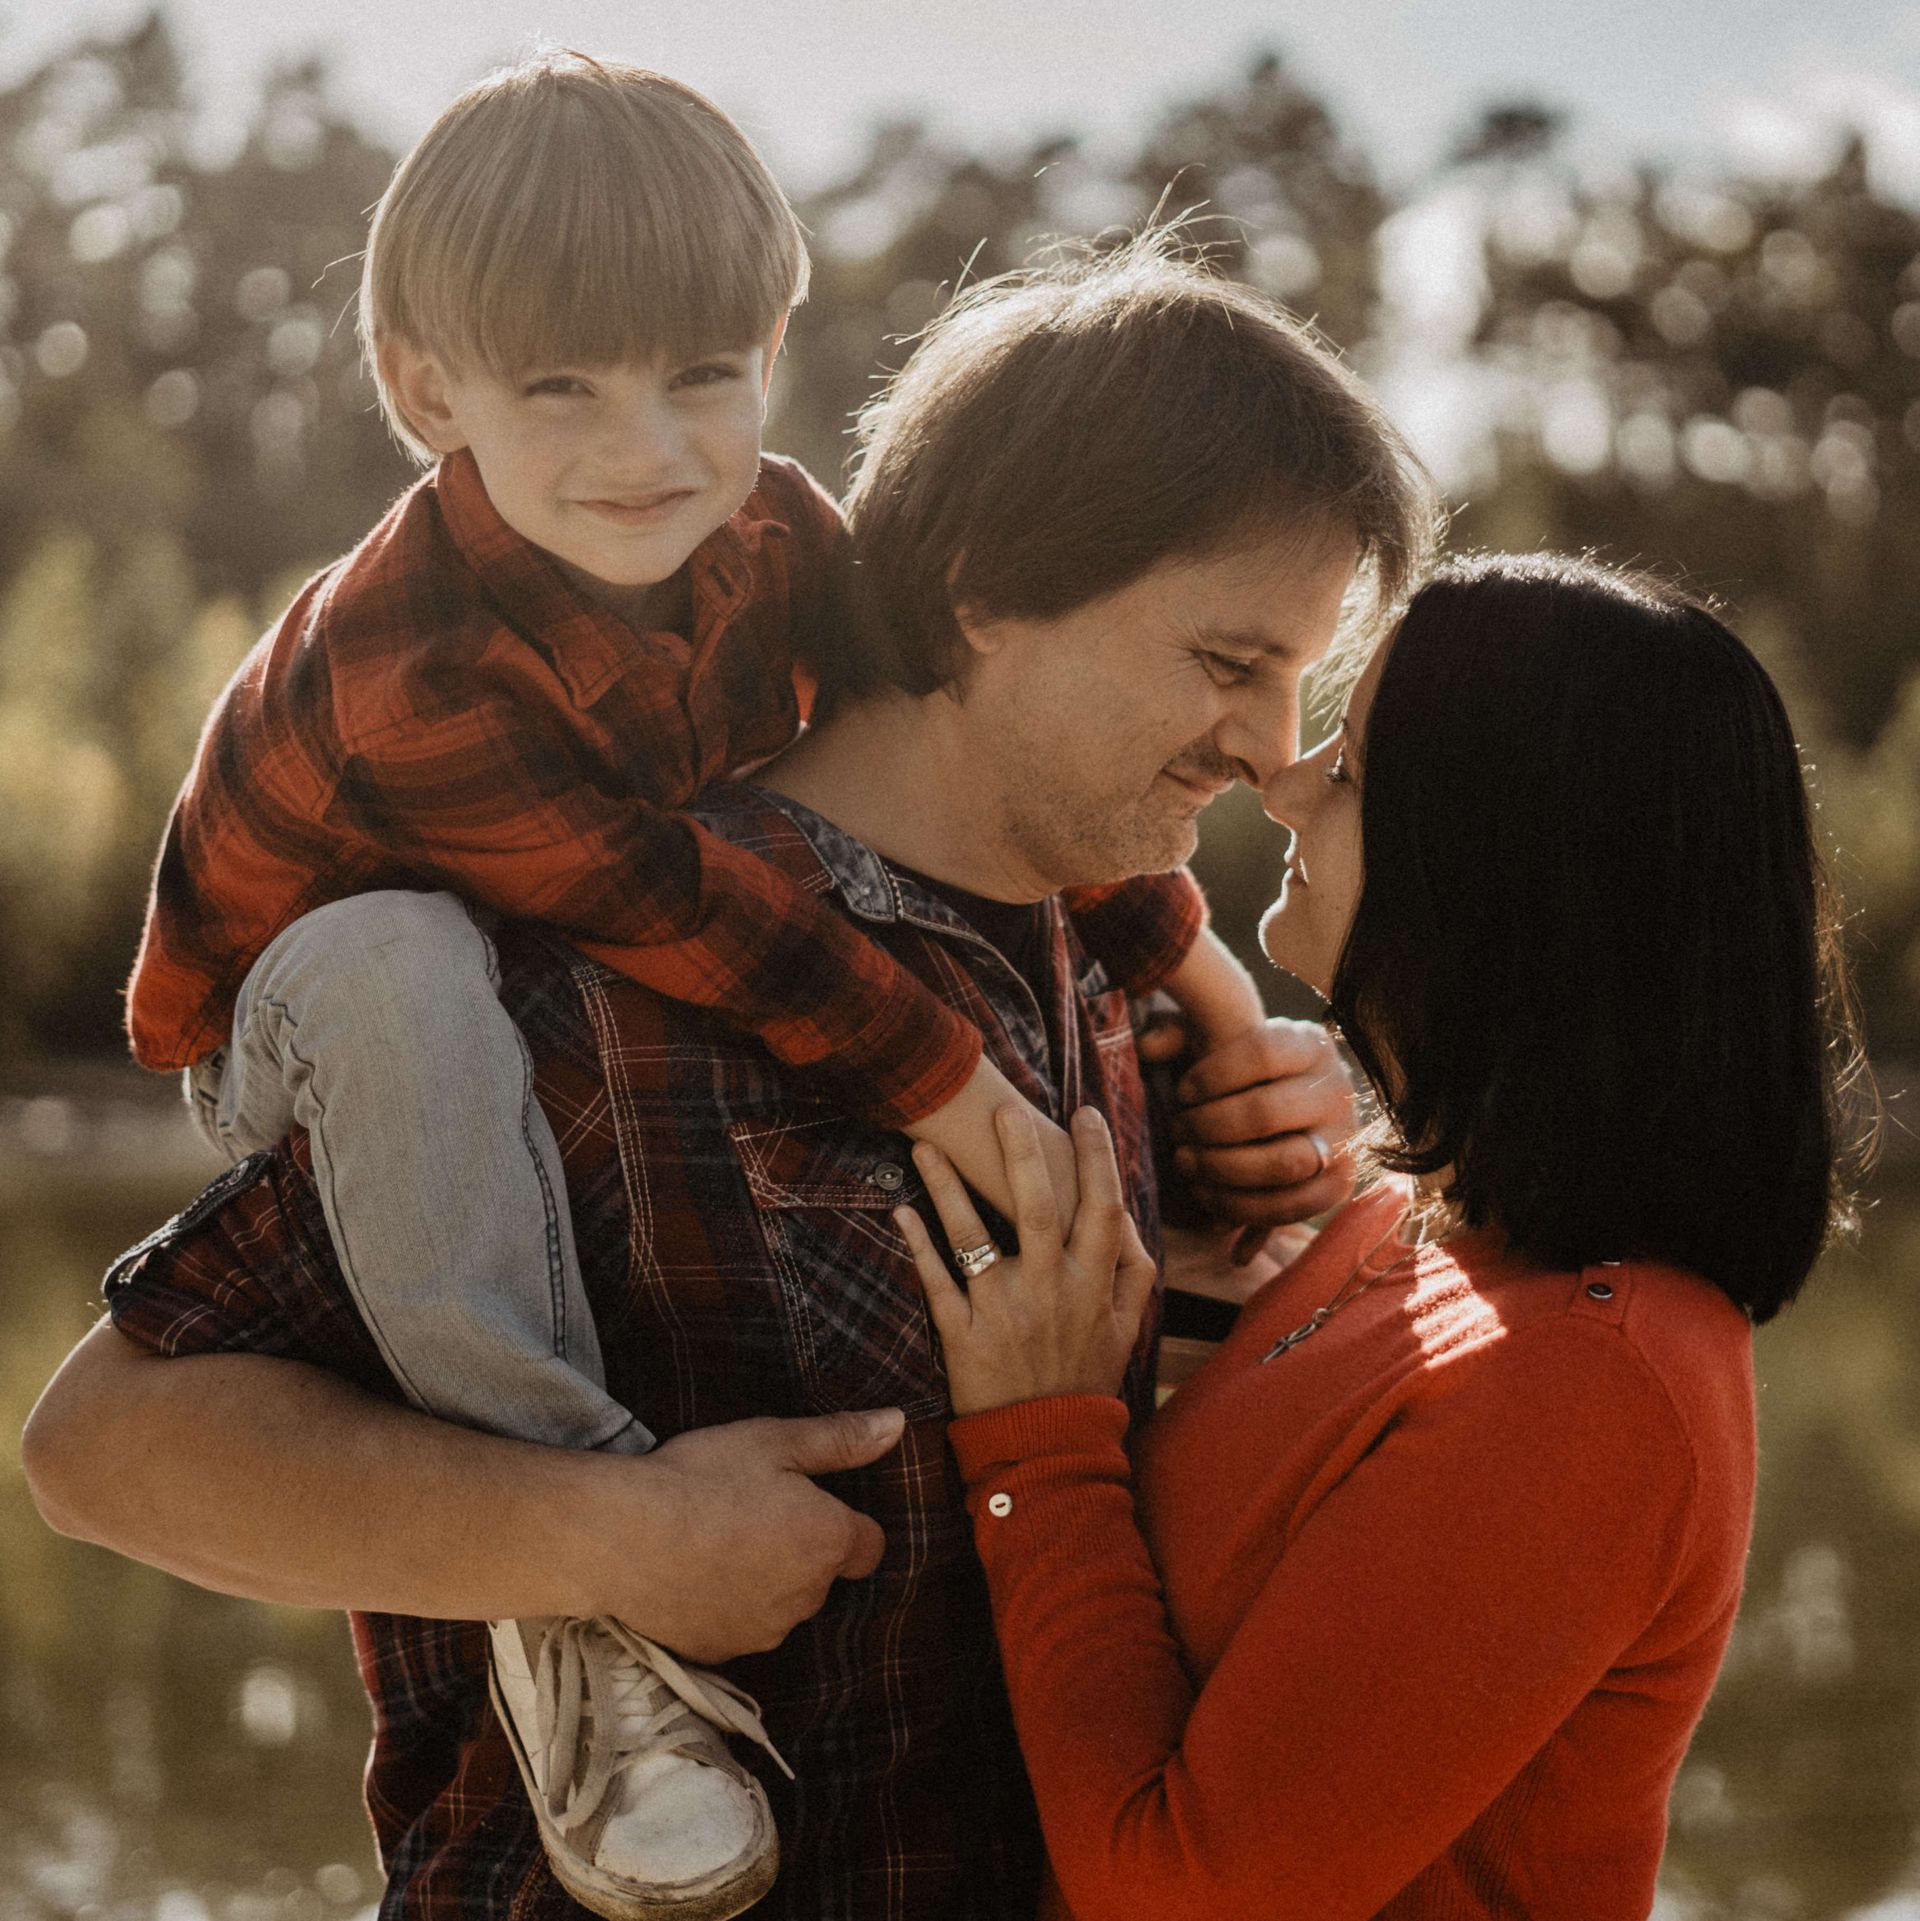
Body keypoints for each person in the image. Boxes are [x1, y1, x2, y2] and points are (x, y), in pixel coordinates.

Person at [24, 237, 1440, 1920]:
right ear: (983, 590)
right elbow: (107, 1446)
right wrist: (602, 1540)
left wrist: (1238, 1243)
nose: (1276, 746)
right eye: (1227, 664)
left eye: (1301, 674)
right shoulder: (571, 979)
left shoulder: (1109, 991)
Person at [901, 551, 1872, 1921]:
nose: (1285, 784)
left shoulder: (1599, 1384)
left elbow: (1190, 1892)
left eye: (1350, 767)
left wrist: (1039, 1446)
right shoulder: (1405, 1229)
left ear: (1489, 865)